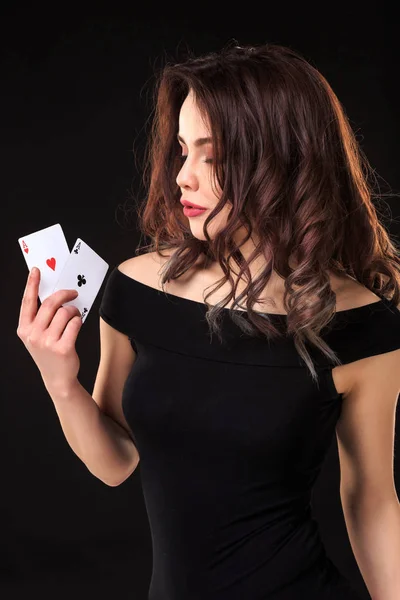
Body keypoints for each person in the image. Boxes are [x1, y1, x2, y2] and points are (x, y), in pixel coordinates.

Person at [17, 41, 400, 599]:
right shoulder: (138, 289)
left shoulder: (361, 325)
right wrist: (58, 379)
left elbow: (371, 499)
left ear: (282, 162)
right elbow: (115, 463)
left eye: (212, 156)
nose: (183, 177)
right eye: (181, 150)